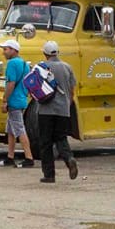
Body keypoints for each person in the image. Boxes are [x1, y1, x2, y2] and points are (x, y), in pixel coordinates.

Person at [31, 39, 79, 182]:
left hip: (45, 110)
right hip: (63, 110)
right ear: (58, 52)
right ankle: (69, 158)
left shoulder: (40, 67)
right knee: (61, 138)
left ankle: (49, 175)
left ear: (45, 54)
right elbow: (72, 90)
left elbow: (33, 87)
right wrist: (67, 104)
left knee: (45, 142)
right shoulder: (67, 67)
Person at [0, 37, 33, 169]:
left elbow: (11, 83)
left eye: (6, 49)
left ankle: (29, 157)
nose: (4, 52)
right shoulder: (24, 63)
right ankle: (10, 156)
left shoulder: (12, 64)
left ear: (13, 50)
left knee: (19, 129)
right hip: (22, 99)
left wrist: (5, 100)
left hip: (14, 101)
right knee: (11, 129)